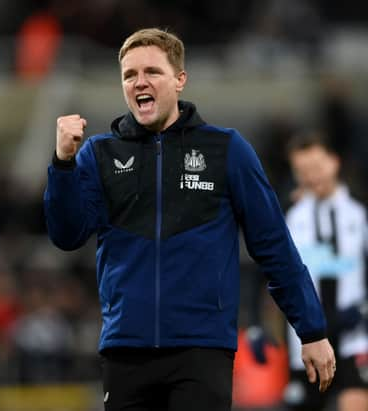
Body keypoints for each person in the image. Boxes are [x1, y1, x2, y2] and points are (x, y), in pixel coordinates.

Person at [43, 27, 335, 411]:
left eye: (152, 72)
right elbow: (66, 234)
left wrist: (311, 330)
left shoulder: (226, 150)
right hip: (125, 350)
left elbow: (274, 246)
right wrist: (62, 164)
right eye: (129, 75)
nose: (139, 82)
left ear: (180, 80)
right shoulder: (99, 154)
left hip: (202, 349)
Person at [283, 131, 368, 411]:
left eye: (317, 167)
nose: (312, 176)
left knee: (355, 401)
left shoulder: (359, 212)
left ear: (334, 162)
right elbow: (274, 277)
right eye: (302, 171)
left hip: (355, 337)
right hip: (307, 342)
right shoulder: (290, 217)